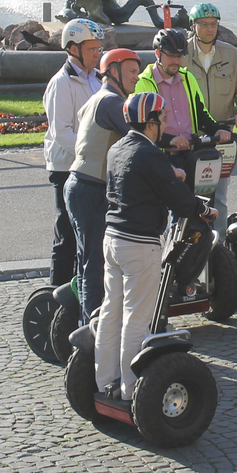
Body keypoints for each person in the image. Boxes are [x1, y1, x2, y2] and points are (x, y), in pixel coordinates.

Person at [94, 92, 216, 404]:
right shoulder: (149, 154)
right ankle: (131, 390)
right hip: (139, 245)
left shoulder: (117, 148)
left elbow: (142, 180)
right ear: (150, 123)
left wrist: (168, 174)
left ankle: (104, 380)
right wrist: (204, 211)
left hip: (112, 239)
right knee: (137, 318)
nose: (164, 124)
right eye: (161, 119)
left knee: (110, 313)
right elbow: (180, 200)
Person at [64, 47, 141, 324]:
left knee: (87, 262)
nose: (137, 76)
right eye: (131, 71)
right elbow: (141, 135)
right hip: (92, 189)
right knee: (95, 265)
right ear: (114, 71)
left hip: (82, 186)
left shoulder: (98, 98)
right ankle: (92, 332)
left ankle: (85, 322)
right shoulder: (112, 102)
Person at [41, 18, 106, 288]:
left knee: (90, 235)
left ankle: (83, 290)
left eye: (99, 48)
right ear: (73, 49)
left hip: (93, 166)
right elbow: (61, 131)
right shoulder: (62, 83)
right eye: (91, 49)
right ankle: (57, 292)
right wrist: (89, 152)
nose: (97, 54)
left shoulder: (98, 79)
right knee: (67, 234)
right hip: (66, 167)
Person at [184, 2, 237, 228]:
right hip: (189, 136)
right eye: (204, 24)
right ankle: (188, 240)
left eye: (214, 24)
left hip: (222, 135)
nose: (209, 29)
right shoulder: (181, 54)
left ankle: (219, 242)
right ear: (193, 26)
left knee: (220, 195)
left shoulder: (232, 54)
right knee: (187, 194)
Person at [133, 28, 232, 151]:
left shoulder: (188, 78)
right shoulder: (142, 83)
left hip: (189, 151)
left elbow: (201, 114)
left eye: (179, 56)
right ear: (158, 53)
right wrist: (169, 140)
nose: (176, 61)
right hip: (159, 155)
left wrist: (217, 129)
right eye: (171, 55)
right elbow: (139, 127)